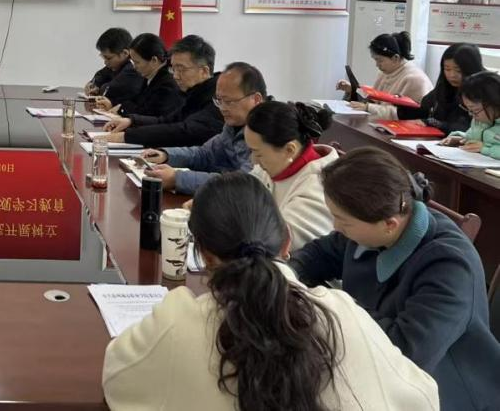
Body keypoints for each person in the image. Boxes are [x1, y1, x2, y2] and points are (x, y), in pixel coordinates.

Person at [102, 172, 439, 411]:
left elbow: (118, 377)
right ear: (287, 240)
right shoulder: (342, 312)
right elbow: (422, 396)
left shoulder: (179, 321)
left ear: (204, 255)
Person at [289, 148, 500, 409]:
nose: (335, 227)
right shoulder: (371, 226)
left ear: (389, 224)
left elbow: (405, 351)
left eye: (343, 220)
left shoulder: (450, 266)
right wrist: (286, 274)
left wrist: (334, 306)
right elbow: (319, 254)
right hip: (372, 371)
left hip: (441, 393)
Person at [136, 62, 264, 195]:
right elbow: (204, 154)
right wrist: (166, 155)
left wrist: (177, 179)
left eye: (228, 102)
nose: (222, 108)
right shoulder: (233, 125)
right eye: (219, 100)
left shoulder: (269, 133)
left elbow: (243, 183)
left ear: (256, 99)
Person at [244, 101, 338, 251]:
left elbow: (277, 243)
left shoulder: (318, 189)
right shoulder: (276, 164)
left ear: (289, 149)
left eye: (258, 153)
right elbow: (240, 193)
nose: (253, 161)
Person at [101, 35, 224, 148]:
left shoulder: (220, 98)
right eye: (173, 69)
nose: (175, 76)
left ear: (204, 71)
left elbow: (185, 131)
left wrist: (127, 137)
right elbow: (167, 120)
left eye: (181, 69)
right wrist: (131, 121)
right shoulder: (195, 92)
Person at [336, 31, 432, 119]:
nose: (377, 65)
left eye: (380, 60)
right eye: (375, 60)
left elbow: (405, 114)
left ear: (395, 58)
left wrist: (368, 107)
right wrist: (353, 89)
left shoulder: (415, 79)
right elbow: (377, 97)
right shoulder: (385, 73)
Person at [396, 43, 484, 134]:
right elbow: (425, 109)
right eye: (447, 69)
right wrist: (403, 106)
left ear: (471, 68)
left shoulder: (483, 90)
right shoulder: (444, 86)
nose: (452, 75)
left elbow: (471, 128)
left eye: (458, 70)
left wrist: (436, 124)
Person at [93, 33, 182, 118]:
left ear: (154, 60)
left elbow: (149, 113)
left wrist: (120, 110)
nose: (134, 67)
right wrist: (112, 104)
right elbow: (136, 101)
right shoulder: (149, 75)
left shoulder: (168, 83)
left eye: (137, 62)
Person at [441, 70, 500, 158]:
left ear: (495, 103)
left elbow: (484, 146)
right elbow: (473, 136)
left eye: (475, 110)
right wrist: (462, 139)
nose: (471, 114)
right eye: (469, 110)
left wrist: (485, 149)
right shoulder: (480, 120)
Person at [83, 27, 143, 108]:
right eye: (103, 57)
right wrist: (93, 85)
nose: (105, 62)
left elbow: (109, 90)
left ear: (125, 53)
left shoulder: (133, 69)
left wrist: (98, 89)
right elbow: (100, 75)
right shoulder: (115, 66)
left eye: (108, 58)